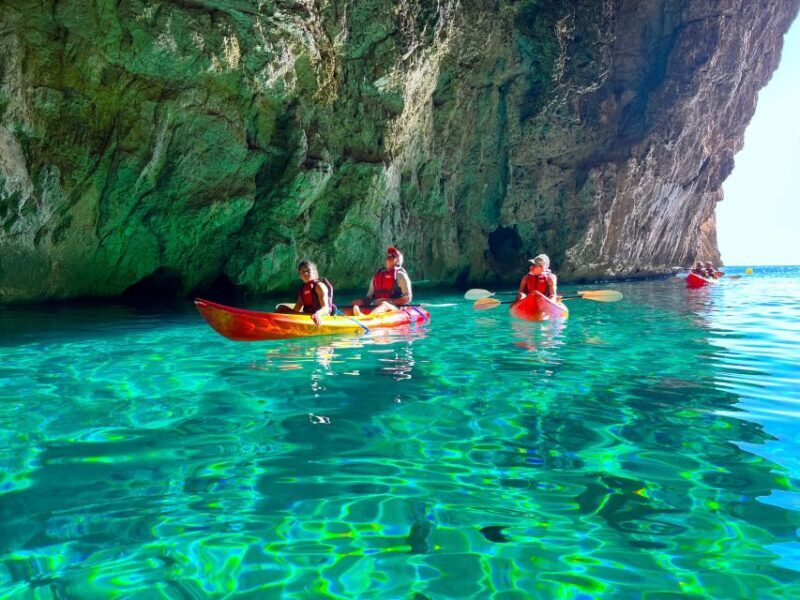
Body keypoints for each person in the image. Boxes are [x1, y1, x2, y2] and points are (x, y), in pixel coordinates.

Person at [352, 246, 412, 316]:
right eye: (389, 254)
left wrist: (390, 301)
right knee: (354, 304)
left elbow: (408, 297)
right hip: (376, 306)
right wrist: (362, 302)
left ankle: (367, 318)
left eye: (393, 255)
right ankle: (353, 316)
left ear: (398, 260)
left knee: (385, 304)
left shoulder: (400, 275)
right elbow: (369, 297)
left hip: (395, 308)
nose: (390, 255)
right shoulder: (377, 275)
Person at [276, 260, 335, 325]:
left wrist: (318, 314)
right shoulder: (303, 290)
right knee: (281, 308)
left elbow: (326, 308)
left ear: (314, 272)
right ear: (300, 276)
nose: (305, 273)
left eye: (308, 271)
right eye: (302, 271)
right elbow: (296, 310)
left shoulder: (319, 286)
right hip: (308, 316)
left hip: (321, 316)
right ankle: (271, 323)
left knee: (282, 309)